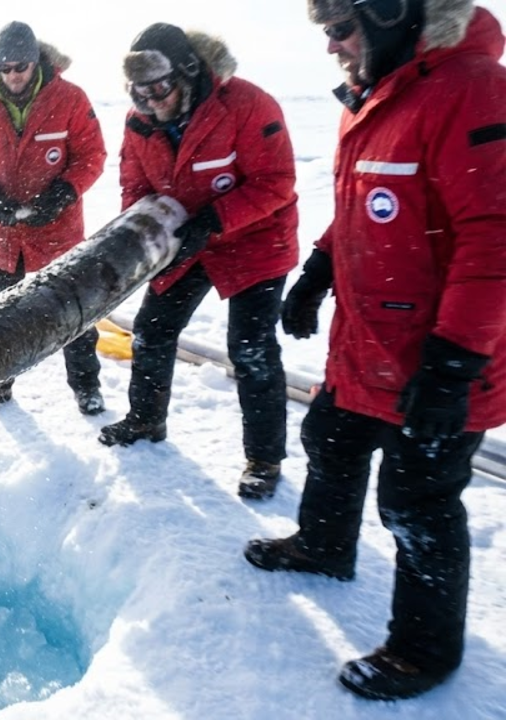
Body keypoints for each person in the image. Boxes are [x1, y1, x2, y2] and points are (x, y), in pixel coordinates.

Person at [246, 0, 506, 701]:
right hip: (367, 344)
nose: (331, 46)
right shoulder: (375, 98)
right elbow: (364, 199)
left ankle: (424, 653)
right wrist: (317, 272)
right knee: (329, 435)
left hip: (441, 358)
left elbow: (494, 238)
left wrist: (454, 363)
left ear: (393, 15)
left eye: (340, 29)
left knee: (416, 501)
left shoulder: (471, 88)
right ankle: (324, 547)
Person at [97, 23, 299, 501]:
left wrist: (214, 220)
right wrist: (143, 235)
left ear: (186, 73)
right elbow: (135, 187)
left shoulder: (246, 105)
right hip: (185, 242)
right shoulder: (138, 122)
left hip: (255, 241)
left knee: (250, 349)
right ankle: (147, 419)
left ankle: (264, 458)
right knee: (151, 329)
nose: (152, 100)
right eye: (139, 91)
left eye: (160, 87)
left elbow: (277, 181)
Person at [0, 21, 108, 413]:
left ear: (35, 61)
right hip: (0, 234)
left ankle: (86, 385)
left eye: (20, 66)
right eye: (5, 68)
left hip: (57, 231)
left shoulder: (70, 99)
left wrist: (63, 193)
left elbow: (92, 155)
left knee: (76, 311)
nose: (13, 75)